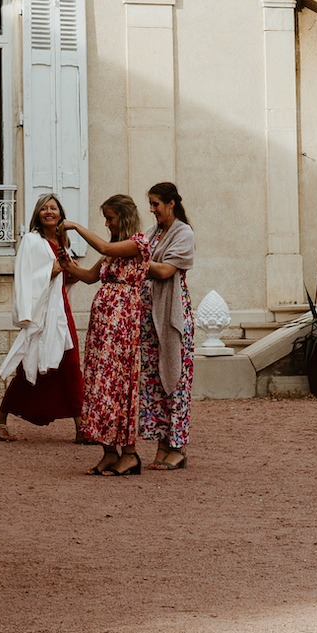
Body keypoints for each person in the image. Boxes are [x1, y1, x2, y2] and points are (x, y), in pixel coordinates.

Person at [65, 194, 154, 477]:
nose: (107, 224)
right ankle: (109, 452)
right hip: (103, 327)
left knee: (119, 383)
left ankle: (129, 454)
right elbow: (90, 276)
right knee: (101, 383)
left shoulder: (138, 243)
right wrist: (67, 265)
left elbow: (103, 246)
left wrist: (76, 227)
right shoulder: (113, 252)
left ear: (124, 218)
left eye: (110, 218)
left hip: (122, 325)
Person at [0, 195, 90, 442]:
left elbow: (65, 279)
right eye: (44, 208)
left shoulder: (63, 243)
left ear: (61, 213)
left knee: (70, 366)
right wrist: (53, 270)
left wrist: (70, 271)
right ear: (37, 214)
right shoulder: (31, 241)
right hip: (42, 313)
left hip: (61, 311)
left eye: (53, 208)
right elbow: (24, 275)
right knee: (31, 367)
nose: (49, 212)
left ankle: (82, 427)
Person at [137, 182, 195, 471]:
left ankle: (178, 447)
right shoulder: (152, 233)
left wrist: (135, 258)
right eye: (150, 203)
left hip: (173, 316)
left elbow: (164, 270)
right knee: (154, 379)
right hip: (150, 317)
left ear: (171, 203)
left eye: (156, 203)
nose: (152, 209)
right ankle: (162, 443)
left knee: (176, 380)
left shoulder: (184, 233)